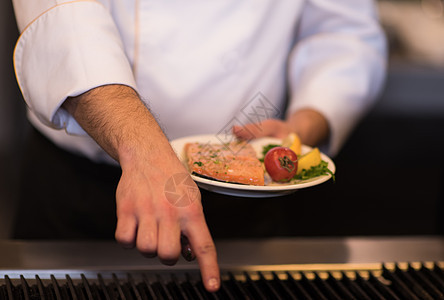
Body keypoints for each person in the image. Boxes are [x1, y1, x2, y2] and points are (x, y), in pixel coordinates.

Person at [11, 0, 387, 292]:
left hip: (247, 197)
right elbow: (63, 19)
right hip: (81, 194)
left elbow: (343, 31)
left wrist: (300, 129)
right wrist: (144, 151)